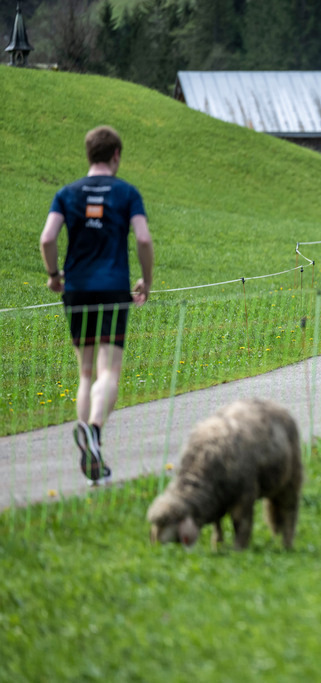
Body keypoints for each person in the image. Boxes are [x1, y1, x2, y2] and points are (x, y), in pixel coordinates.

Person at [39, 125, 154, 485]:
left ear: (89, 154)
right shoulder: (127, 193)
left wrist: (54, 274)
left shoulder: (66, 193)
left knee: (85, 373)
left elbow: (47, 238)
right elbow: (144, 239)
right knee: (109, 372)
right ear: (116, 155)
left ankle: (91, 449)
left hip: (76, 290)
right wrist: (146, 281)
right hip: (113, 289)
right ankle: (94, 430)